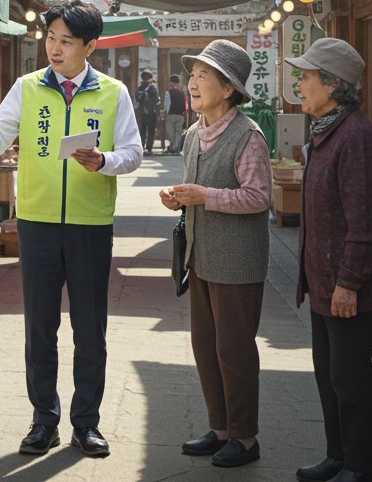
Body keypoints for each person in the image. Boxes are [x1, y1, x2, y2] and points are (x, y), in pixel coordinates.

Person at [0, 0, 143, 458]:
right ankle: (43, 421)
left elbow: (133, 153)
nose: (54, 49)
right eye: (50, 38)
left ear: (90, 46)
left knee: (89, 329)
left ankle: (86, 423)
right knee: (39, 327)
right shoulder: (27, 87)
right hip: (35, 223)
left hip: (90, 225)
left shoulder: (114, 93)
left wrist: (104, 162)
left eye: (66, 41)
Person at [285, 38, 372, 482]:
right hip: (323, 281)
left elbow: (365, 222)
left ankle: (362, 467)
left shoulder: (356, 137)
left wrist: (349, 282)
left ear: (332, 86)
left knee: (350, 381)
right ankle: (338, 455)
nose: (300, 83)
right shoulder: (327, 130)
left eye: (307, 76)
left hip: (346, 286)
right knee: (329, 377)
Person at [158, 40, 272, 469]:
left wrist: (205, 196)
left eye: (203, 76)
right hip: (200, 256)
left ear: (228, 89)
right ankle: (221, 428)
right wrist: (179, 199)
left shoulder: (248, 135)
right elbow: (198, 193)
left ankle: (245, 437)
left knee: (235, 350)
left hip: (238, 261)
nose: (192, 83)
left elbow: (259, 197)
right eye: (192, 76)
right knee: (206, 346)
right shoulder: (193, 133)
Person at [135, 70, 160, 154]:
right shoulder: (152, 88)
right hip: (151, 112)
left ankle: (141, 145)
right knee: (151, 130)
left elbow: (136, 99)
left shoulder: (139, 88)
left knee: (142, 130)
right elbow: (156, 99)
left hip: (142, 112)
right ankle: (149, 148)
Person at [164, 73, 188, 154]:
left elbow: (167, 104)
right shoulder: (182, 92)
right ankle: (176, 148)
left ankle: (172, 146)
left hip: (171, 114)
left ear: (171, 82)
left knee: (170, 131)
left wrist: (166, 112)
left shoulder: (169, 91)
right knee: (178, 131)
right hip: (180, 114)